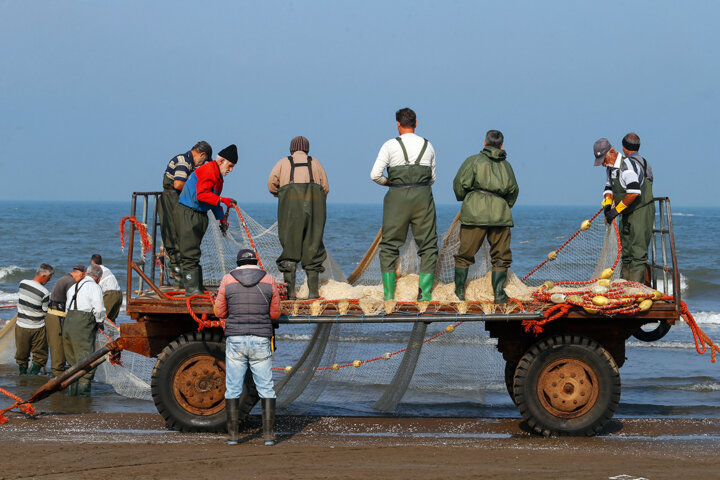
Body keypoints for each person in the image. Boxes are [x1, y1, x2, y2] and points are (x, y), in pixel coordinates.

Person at [370, 107, 439, 301]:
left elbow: (374, 175)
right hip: (423, 197)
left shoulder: (389, 145)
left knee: (390, 245)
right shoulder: (428, 145)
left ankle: (389, 295)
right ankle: (424, 295)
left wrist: (390, 182)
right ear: (416, 124)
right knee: (428, 245)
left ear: (398, 124)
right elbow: (432, 178)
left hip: (397, 198)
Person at [214, 249, 281, 446]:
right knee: (266, 387)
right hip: (261, 339)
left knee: (233, 387)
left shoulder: (227, 280)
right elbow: (275, 313)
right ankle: (268, 436)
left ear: (238, 263)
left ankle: (233, 436)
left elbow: (219, 311)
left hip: (235, 339)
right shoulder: (269, 279)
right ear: (255, 262)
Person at [452, 130, 519, 304]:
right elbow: (513, 191)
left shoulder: (473, 161)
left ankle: (459, 293)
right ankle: (498, 294)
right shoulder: (507, 166)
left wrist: (467, 199)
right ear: (501, 145)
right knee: (501, 256)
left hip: (474, 212)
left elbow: (459, 184)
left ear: (484, 142)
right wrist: (503, 206)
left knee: (464, 254)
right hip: (500, 214)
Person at [268, 136, 330, 299]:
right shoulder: (316, 163)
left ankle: (291, 295)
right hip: (314, 209)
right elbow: (325, 189)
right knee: (313, 247)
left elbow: (271, 185)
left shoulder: (282, 163)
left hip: (290, 211)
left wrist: (281, 195)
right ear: (307, 149)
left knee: (290, 249)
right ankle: (313, 294)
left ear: (291, 149)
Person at [175, 144, 238, 296]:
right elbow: (201, 195)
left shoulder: (218, 178)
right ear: (221, 160)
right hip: (188, 213)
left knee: (195, 251)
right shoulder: (208, 170)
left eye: (233, 167)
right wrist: (223, 199)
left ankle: (198, 287)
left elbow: (213, 201)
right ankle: (191, 290)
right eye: (229, 166)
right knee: (190, 252)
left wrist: (221, 219)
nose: (230, 170)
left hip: (199, 215)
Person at [594, 137, 656, 283]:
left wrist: (616, 211)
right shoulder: (610, 170)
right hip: (627, 211)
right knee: (625, 251)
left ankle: (635, 289)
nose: (603, 164)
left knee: (637, 252)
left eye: (604, 159)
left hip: (641, 210)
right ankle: (624, 286)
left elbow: (634, 192)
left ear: (612, 152)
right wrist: (607, 205)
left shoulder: (627, 166)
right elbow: (609, 188)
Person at [160, 141, 213, 286]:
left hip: (175, 199)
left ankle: (181, 277)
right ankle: (179, 277)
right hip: (171, 199)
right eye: (204, 160)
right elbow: (178, 184)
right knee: (174, 235)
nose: (202, 163)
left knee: (179, 235)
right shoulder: (184, 162)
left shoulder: (188, 162)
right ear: (201, 154)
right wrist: (196, 189)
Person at [63, 264, 105, 396]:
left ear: (87, 273)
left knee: (72, 364)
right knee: (86, 362)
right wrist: (100, 321)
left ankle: (71, 397)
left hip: (68, 325)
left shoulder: (73, 287)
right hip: (82, 326)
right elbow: (98, 309)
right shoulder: (94, 287)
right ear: (99, 278)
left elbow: (67, 309)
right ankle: (82, 399)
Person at [45, 266, 84, 377]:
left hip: (53, 315)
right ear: (80, 274)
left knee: (57, 348)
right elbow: (74, 302)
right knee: (58, 350)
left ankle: (57, 375)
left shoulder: (64, 278)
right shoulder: (71, 282)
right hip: (57, 317)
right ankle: (56, 381)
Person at [15, 264, 53, 375]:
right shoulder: (45, 293)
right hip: (38, 328)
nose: (49, 280)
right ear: (44, 275)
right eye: (49, 277)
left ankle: (23, 376)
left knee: (22, 356)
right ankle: (32, 377)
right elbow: (45, 311)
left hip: (21, 326)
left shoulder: (22, 283)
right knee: (40, 356)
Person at [90, 254, 122, 321]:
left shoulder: (97, 270)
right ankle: (112, 331)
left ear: (93, 263)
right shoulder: (107, 269)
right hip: (119, 295)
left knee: (100, 317)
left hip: (111, 295)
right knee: (111, 319)